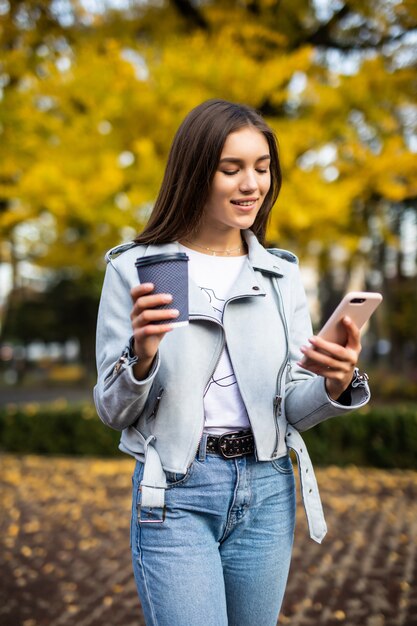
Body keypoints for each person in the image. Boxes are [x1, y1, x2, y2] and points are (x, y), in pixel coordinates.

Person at [94, 99, 370, 626]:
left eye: (262, 168)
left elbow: (292, 405)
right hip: (176, 490)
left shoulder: (277, 274)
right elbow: (112, 409)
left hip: (268, 489)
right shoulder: (142, 267)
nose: (252, 184)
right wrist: (143, 355)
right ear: (196, 171)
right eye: (232, 168)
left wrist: (335, 384)